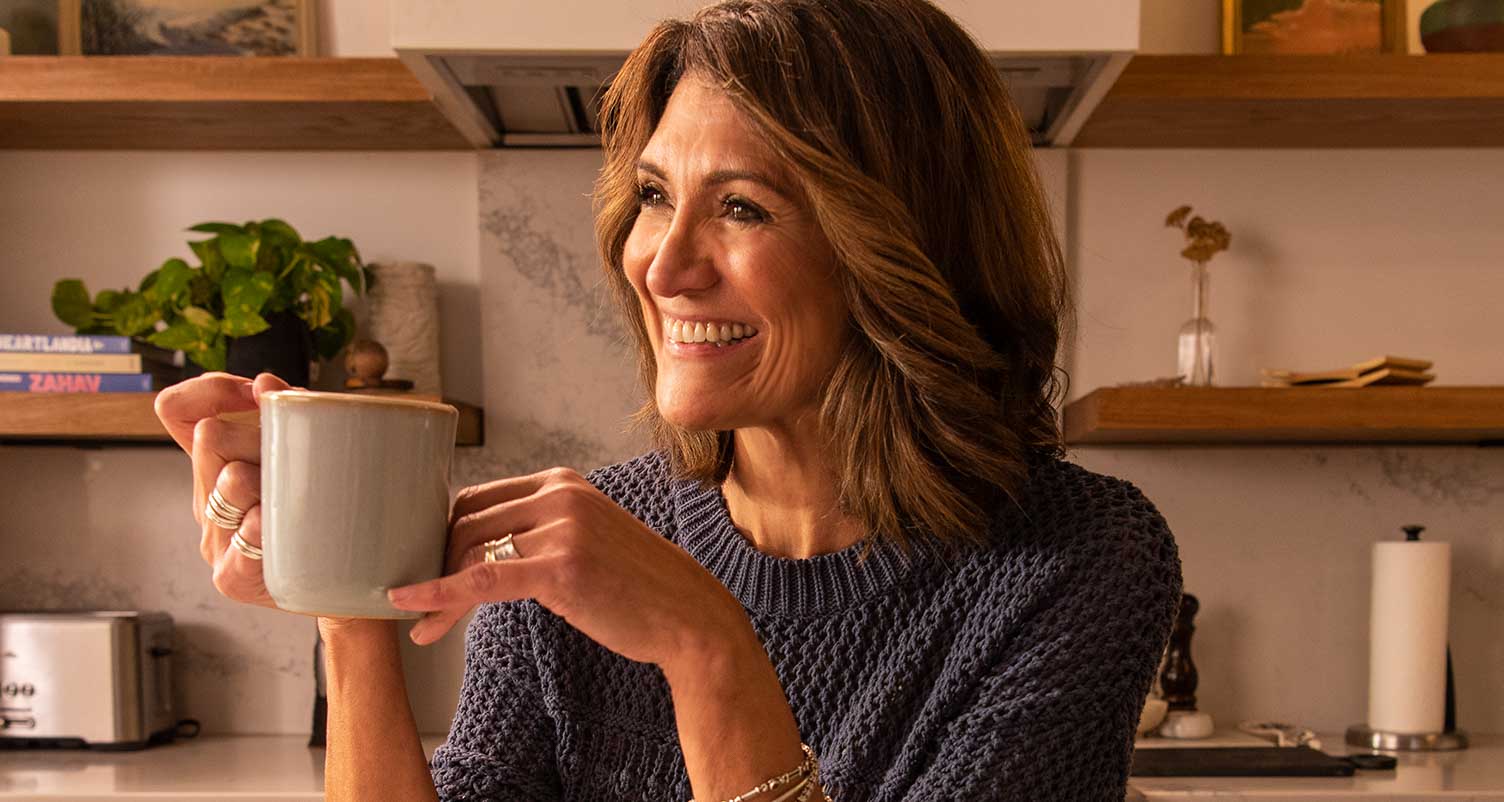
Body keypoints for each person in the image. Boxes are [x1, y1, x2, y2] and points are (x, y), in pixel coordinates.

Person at [155, 0, 1182, 799]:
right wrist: (349, 596)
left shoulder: (1077, 556)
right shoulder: (581, 549)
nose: (660, 263)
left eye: (742, 205)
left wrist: (704, 646)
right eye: (653, 195)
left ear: (900, 249)